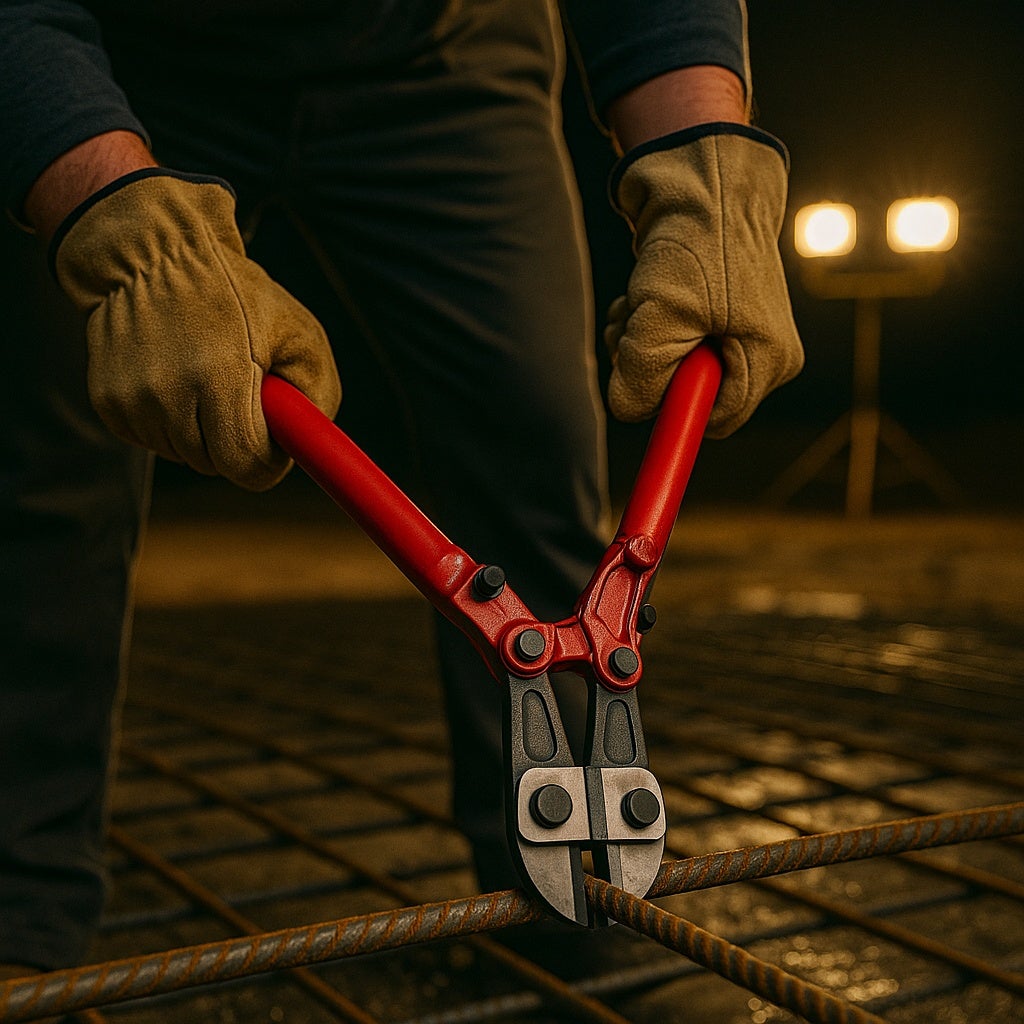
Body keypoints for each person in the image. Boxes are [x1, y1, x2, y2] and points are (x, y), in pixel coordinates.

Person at [0, 0, 803, 979]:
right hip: (122, 63)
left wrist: (705, 160)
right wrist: (113, 215)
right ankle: (21, 923)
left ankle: (569, 910)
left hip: (450, 50)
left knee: (532, 431)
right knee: (47, 473)